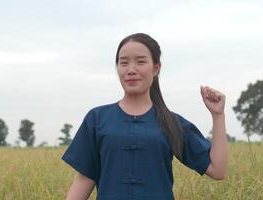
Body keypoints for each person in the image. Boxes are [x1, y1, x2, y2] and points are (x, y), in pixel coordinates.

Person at [61, 33, 228, 200]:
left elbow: (217, 169)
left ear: (156, 68)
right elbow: (84, 178)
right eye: (124, 62)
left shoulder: (172, 123)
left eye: (140, 62)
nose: (131, 70)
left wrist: (218, 115)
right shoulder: (97, 119)